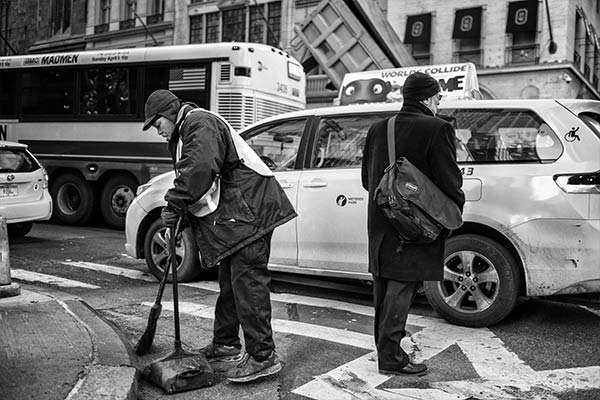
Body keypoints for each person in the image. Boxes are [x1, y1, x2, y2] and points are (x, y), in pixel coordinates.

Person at [142, 89, 297, 383]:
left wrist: (175, 205)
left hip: (250, 211)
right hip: (239, 215)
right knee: (230, 282)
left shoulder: (199, 123)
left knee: (247, 282)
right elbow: (200, 180)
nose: (157, 130)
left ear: (170, 112)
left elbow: (199, 171)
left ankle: (263, 356)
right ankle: (226, 344)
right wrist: (182, 215)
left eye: (157, 122)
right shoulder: (185, 131)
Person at [361, 72, 465, 376]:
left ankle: (386, 345)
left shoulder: (379, 128)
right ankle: (391, 357)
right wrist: (453, 207)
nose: (439, 102)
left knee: (384, 282)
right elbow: (449, 179)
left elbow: (368, 180)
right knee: (403, 285)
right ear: (429, 98)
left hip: (383, 216)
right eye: (438, 97)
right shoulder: (438, 128)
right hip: (417, 221)